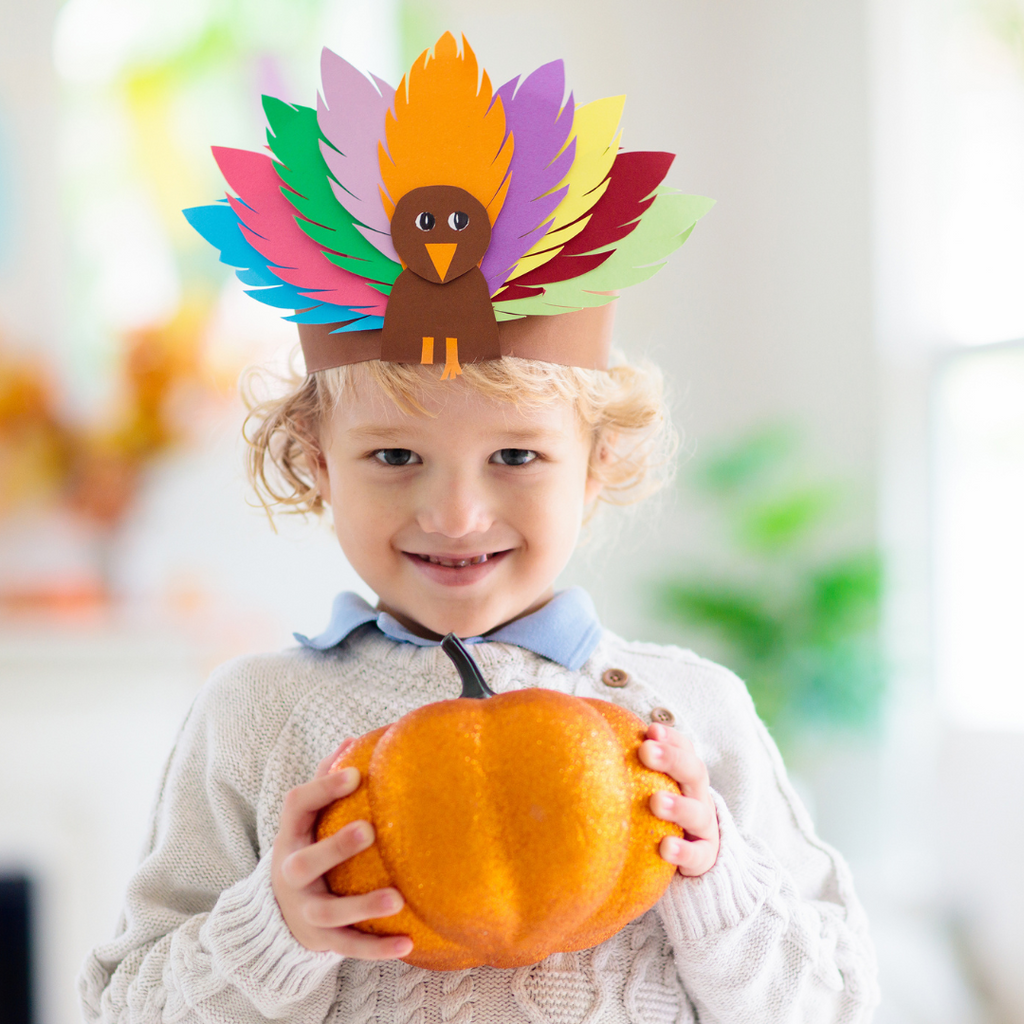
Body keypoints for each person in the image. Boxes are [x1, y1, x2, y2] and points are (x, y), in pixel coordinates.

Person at [78, 34, 879, 1024]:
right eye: (395, 457)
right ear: (316, 462)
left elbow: (837, 1002)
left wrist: (717, 882)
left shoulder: (692, 716)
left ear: (599, 466)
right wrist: (272, 926)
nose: (455, 514)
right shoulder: (256, 717)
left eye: (514, 457)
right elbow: (125, 1008)